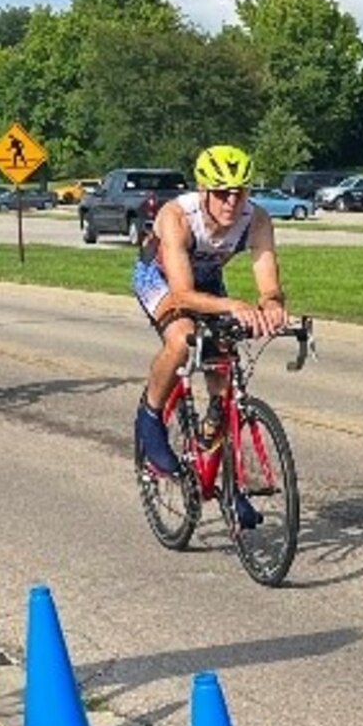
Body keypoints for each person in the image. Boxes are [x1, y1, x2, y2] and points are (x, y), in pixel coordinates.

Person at [131, 145, 287, 509]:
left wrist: (273, 305)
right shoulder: (177, 216)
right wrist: (235, 305)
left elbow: (268, 282)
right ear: (203, 189)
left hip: (208, 282)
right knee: (183, 339)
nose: (231, 201)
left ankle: (229, 482)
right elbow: (183, 295)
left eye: (240, 191)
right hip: (161, 280)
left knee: (224, 378)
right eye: (221, 192)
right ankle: (150, 416)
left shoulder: (257, 219)